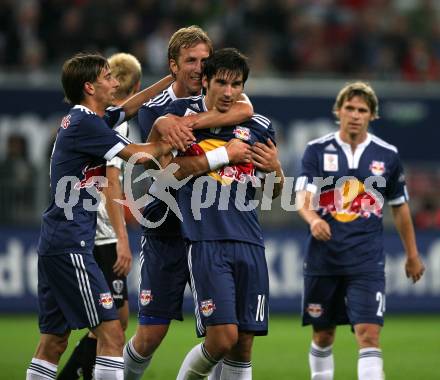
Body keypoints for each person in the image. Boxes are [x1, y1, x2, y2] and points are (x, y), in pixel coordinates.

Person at [26, 52, 191, 380]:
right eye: (107, 77)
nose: (115, 82)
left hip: (59, 241)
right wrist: (170, 137)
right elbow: (138, 156)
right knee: (112, 333)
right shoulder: (87, 124)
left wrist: (175, 79)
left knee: (54, 342)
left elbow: (131, 105)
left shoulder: (86, 119)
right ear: (90, 87)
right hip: (71, 243)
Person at [123, 26, 255, 380]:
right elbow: (169, 172)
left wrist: (190, 123)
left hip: (210, 233)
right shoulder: (157, 111)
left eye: (204, 61)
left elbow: (246, 109)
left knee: (228, 334)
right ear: (173, 65)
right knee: (151, 335)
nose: (199, 68)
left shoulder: (224, 101)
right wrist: (216, 151)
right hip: (167, 228)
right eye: (190, 61)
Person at [157, 48, 283, 379]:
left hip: (250, 241)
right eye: (222, 83)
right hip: (206, 241)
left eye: (237, 84)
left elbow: (272, 192)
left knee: (243, 343)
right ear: (207, 81)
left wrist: (275, 170)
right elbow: (166, 176)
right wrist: (222, 156)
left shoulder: (259, 126)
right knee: (221, 338)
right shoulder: (182, 124)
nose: (229, 92)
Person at [295, 81, 425, 380]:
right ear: (337, 111)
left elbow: (400, 207)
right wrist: (313, 219)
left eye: (362, 110)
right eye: (349, 108)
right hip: (323, 259)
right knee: (324, 335)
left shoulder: (387, 155)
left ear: (372, 116)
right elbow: (301, 198)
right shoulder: (316, 150)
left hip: (366, 260)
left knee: (368, 334)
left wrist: (413, 255)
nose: (355, 115)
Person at [57, 53, 141, 380]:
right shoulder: (105, 122)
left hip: (79, 232)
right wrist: (122, 239)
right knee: (113, 324)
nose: (115, 83)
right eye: (109, 78)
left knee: (109, 323)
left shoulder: (94, 117)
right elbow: (113, 178)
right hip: (96, 234)